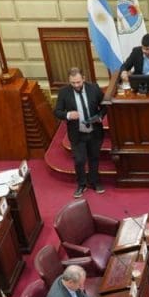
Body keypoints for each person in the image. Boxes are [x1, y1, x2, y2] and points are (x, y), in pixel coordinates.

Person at [54, 67, 106, 199]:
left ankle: (94, 182)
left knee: (94, 158)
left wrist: (100, 116)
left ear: (83, 78)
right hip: (77, 133)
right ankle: (81, 184)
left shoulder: (94, 88)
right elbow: (57, 111)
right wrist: (68, 115)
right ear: (69, 81)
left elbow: (104, 105)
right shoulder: (64, 92)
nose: (76, 85)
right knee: (79, 160)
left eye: (78, 82)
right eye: (73, 83)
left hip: (94, 131)